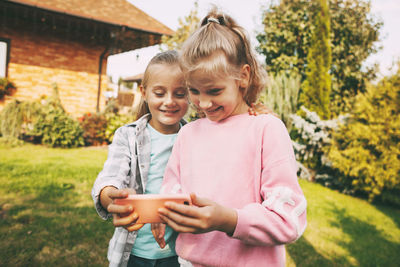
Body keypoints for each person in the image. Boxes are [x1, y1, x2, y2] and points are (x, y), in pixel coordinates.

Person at [91, 50, 274, 267]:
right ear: (144, 92)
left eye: (180, 94)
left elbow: (230, 140)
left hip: (181, 254)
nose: (169, 102)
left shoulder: (198, 136)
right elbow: (109, 178)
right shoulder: (128, 136)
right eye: (159, 93)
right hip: (133, 253)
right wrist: (112, 197)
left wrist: (251, 112)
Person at [156, 10, 307, 267]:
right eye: (194, 91)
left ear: (243, 76)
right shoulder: (188, 134)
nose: (203, 103)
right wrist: (162, 213)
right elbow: (171, 192)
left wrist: (229, 220)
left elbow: (288, 219)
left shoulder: (266, 129)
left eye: (214, 91)